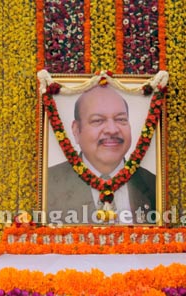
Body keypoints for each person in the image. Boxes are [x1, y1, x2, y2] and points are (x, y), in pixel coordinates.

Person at [47, 86, 156, 224]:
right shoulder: (47, 185)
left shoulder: (154, 185)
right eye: (98, 120)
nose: (112, 130)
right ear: (76, 131)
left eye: (120, 119)